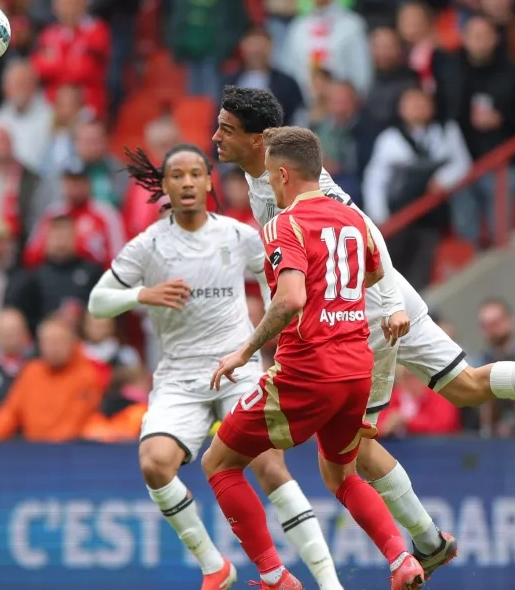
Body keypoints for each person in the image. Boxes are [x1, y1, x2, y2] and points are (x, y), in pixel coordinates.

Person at [213, 85, 515, 577]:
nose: (216, 137)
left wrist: (386, 305)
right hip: (385, 298)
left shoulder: (292, 186)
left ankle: (426, 543)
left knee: (349, 455)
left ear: (260, 141)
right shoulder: (271, 171)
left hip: (359, 313)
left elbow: (364, 228)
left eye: (226, 130)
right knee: (466, 387)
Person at [87, 143, 334, 590]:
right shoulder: (148, 245)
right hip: (179, 378)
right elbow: (98, 302)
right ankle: (214, 566)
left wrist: (275, 328)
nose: (186, 183)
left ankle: (327, 582)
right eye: (177, 175)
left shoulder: (237, 235)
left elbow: (276, 280)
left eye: (195, 174)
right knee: (154, 464)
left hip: (236, 370)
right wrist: (142, 294)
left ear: (208, 182)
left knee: (270, 468)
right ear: (164, 186)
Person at [204, 126, 423, 590]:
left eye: (269, 176)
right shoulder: (353, 219)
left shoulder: (284, 225)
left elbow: (289, 300)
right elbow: (372, 273)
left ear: (283, 174)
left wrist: (244, 352)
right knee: (341, 473)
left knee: (218, 463)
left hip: (308, 370)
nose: (269, 184)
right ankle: (402, 559)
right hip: (356, 369)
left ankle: (274, 575)